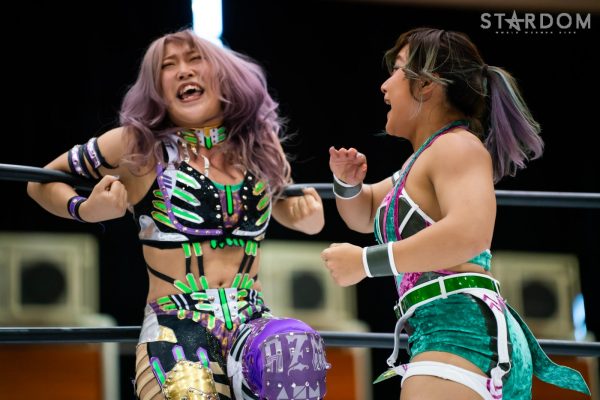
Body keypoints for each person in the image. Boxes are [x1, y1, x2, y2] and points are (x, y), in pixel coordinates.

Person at [27, 29, 330, 400]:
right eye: (168, 66)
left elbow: (290, 207)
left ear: (222, 73)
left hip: (252, 321)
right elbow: (41, 181)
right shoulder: (138, 143)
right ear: (156, 88)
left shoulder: (258, 145)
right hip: (176, 324)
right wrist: (86, 209)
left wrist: (310, 218)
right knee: (188, 390)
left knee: (294, 353)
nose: (184, 70)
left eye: (195, 59)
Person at [321, 27, 590, 400]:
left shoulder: (457, 147)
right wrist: (347, 184)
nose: (384, 85)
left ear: (426, 84)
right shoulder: (420, 163)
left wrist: (366, 263)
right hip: (449, 334)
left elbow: (469, 234)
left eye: (397, 69)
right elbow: (365, 214)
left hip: (459, 333)